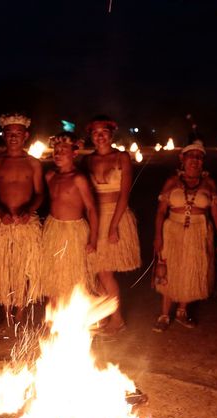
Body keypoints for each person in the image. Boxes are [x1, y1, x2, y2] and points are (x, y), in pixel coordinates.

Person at [152, 134, 217, 332]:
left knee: (190, 270)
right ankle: (165, 314)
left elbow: (216, 213)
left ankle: (182, 312)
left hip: (199, 231)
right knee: (169, 270)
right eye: (190, 156)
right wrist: (158, 236)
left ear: (203, 161)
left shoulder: (209, 184)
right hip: (172, 231)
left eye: (199, 156)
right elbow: (160, 212)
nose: (194, 160)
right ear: (182, 159)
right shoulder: (171, 182)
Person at [0, 113, 44, 326]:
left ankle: (19, 313)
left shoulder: (33, 164)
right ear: (4, 135)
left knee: (23, 269)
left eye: (18, 133)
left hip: (26, 224)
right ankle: (6, 312)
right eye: (9, 133)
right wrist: (1, 212)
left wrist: (29, 211)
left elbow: (39, 193)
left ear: (25, 135)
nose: (13, 137)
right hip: (3, 224)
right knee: (5, 269)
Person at [84, 115, 141, 334]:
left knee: (105, 273)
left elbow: (124, 195)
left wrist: (114, 226)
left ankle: (117, 320)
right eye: (95, 132)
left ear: (111, 135)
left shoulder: (122, 158)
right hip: (95, 218)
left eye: (104, 132)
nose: (100, 136)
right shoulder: (88, 160)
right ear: (91, 136)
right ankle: (106, 318)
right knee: (98, 271)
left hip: (115, 216)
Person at [39, 133, 98, 304]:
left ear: (74, 153)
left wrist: (93, 239)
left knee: (73, 272)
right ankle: (54, 311)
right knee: (52, 270)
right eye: (56, 150)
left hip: (73, 231)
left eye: (63, 151)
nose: (58, 154)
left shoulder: (78, 179)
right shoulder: (50, 176)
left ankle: (73, 310)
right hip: (53, 229)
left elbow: (91, 208)